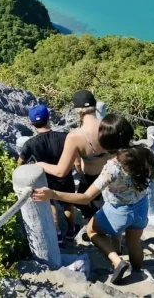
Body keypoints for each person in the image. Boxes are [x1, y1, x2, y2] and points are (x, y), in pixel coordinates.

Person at [33, 113, 154, 284]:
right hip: (141, 207)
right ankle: (138, 273)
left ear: (105, 142)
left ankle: (117, 262)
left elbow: (86, 197)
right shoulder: (145, 153)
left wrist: (53, 194)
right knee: (134, 243)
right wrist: (140, 173)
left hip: (118, 211)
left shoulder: (112, 167)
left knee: (92, 231)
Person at [37, 90, 111, 221]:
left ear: (78, 111)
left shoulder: (75, 136)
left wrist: (40, 164)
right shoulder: (110, 127)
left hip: (91, 178)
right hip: (110, 175)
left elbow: (61, 172)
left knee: (85, 204)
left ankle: (93, 229)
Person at [18, 104, 79, 244]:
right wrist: (77, 166)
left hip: (45, 178)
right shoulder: (65, 137)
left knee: (51, 203)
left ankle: (57, 233)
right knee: (68, 205)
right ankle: (71, 230)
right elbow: (75, 156)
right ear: (48, 119)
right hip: (65, 177)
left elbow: (20, 163)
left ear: (31, 123)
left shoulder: (30, 143)